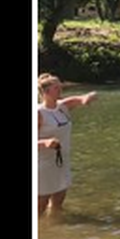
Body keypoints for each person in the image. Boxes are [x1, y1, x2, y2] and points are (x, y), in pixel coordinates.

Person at [37, 73, 97, 217]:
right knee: (41, 204)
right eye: (56, 88)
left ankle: (55, 230)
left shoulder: (62, 106)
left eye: (60, 87)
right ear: (46, 92)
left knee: (58, 199)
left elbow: (79, 99)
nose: (60, 90)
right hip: (43, 164)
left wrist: (87, 98)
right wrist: (45, 142)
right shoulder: (39, 113)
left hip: (62, 160)